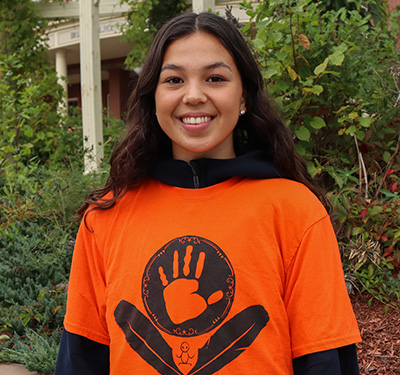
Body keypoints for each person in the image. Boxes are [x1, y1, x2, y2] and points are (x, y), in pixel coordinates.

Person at [55, 12, 361, 375]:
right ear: (154, 97)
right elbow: (82, 358)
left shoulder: (294, 211)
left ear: (243, 95)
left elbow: (324, 360)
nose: (194, 95)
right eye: (174, 80)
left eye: (215, 78)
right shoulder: (106, 217)